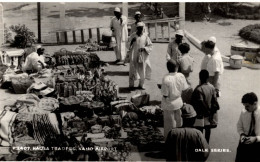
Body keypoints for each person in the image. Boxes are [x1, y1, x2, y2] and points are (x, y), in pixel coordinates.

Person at [161, 59, 189, 140]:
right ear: (176, 67)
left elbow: (165, 94)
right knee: (179, 122)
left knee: (169, 124)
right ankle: (179, 139)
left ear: (167, 68)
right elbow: (185, 89)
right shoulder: (181, 76)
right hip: (179, 102)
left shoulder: (166, 78)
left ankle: (169, 141)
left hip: (169, 104)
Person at [191, 70, 219, 143]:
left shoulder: (198, 89)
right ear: (208, 78)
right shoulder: (212, 87)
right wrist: (211, 113)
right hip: (209, 114)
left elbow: (200, 102)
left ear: (200, 78)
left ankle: (200, 145)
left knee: (200, 130)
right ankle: (207, 144)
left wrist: (206, 112)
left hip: (201, 114)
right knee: (208, 129)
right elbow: (214, 100)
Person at [127, 22, 153, 90]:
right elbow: (127, 46)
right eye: (138, 28)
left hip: (142, 55)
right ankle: (131, 85)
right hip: (134, 54)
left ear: (143, 29)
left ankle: (141, 84)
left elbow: (150, 45)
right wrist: (131, 42)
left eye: (141, 28)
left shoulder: (145, 36)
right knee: (133, 69)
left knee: (142, 69)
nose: (140, 30)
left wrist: (144, 48)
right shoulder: (133, 35)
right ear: (136, 28)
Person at [236, 92, 260, 162]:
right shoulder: (243, 112)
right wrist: (242, 134)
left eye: (247, 106)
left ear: (255, 103)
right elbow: (239, 126)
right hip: (244, 143)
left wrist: (256, 138)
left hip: (257, 146)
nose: (245, 108)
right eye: (244, 106)